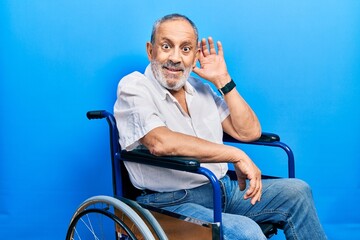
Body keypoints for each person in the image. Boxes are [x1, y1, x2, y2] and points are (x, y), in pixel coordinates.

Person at [114, 13, 327, 240]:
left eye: (185, 49)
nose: (175, 58)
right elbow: (159, 141)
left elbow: (249, 132)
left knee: (298, 192)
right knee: (245, 231)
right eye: (166, 46)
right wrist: (234, 154)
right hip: (171, 202)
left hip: (223, 190)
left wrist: (223, 80)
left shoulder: (200, 89)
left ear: (195, 56)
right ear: (150, 50)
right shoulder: (135, 86)